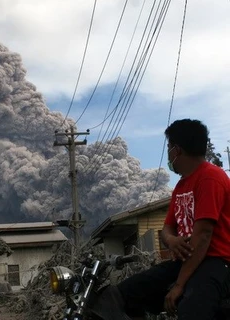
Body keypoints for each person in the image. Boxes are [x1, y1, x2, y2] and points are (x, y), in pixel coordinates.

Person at [94, 119, 230, 320]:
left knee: (192, 309)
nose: (168, 153)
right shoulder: (181, 186)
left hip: (217, 261)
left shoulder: (210, 178)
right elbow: (167, 228)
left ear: (177, 150)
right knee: (124, 294)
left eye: (168, 147)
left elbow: (203, 236)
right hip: (185, 261)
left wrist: (179, 285)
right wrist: (173, 240)